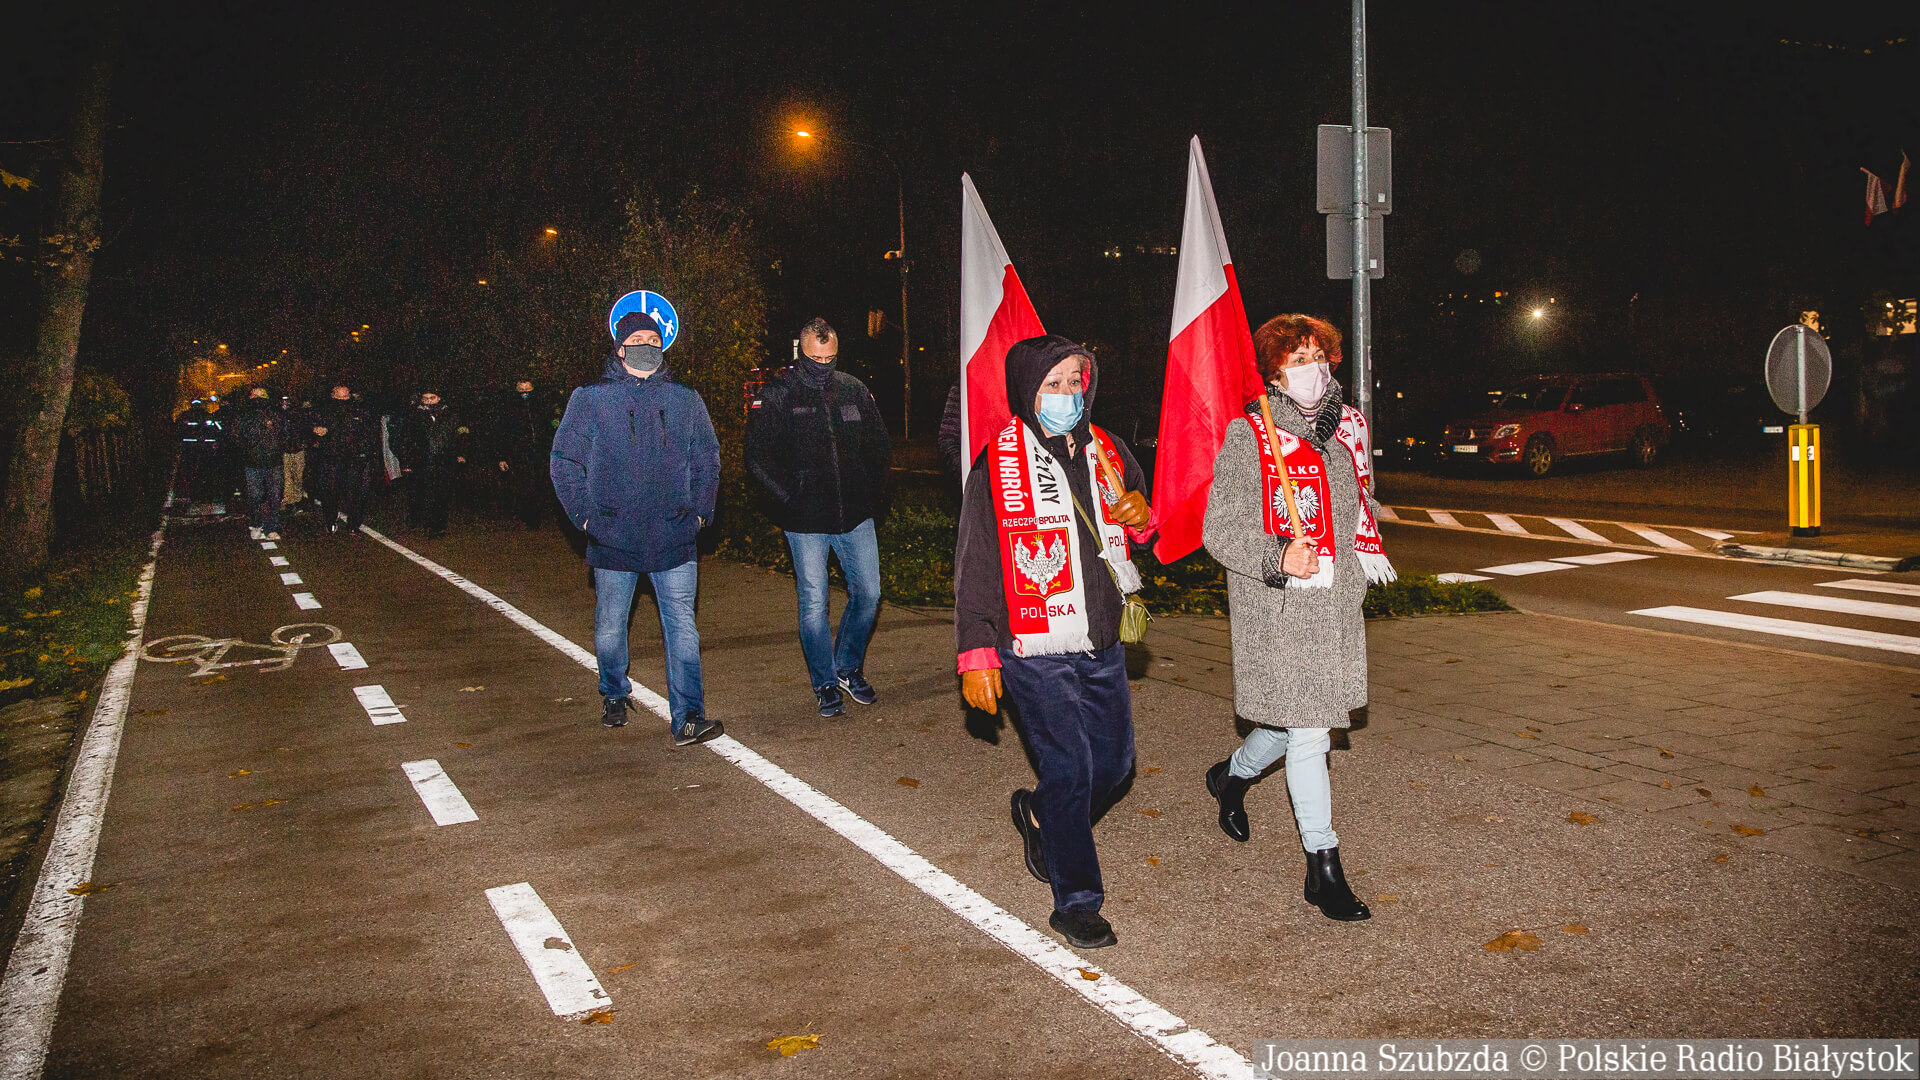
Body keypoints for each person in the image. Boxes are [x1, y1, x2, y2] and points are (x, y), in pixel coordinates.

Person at [954, 334, 1153, 950]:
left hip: (1101, 636)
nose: (1069, 395)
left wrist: (1142, 520)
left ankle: (1041, 817)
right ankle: (1077, 900)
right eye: (1053, 384)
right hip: (1029, 643)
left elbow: (1140, 540)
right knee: (1070, 766)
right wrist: (976, 652)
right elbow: (976, 564)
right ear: (1027, 392)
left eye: (1076, 382)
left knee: (1114, 765)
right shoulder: (1000, 463)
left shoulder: (1111, 451)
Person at [1201, 313, 1394, 922]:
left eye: (1321, 358)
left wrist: (1357, 571)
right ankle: (1323, 866)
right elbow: (1219, 530)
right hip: (1281, 611)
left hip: (1331, 610)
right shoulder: (1248, 437)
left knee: (1295, 726)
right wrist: (1278, 554)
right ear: (1275, 373)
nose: (1314, 371)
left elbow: (1353, 520)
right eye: (1299, 359)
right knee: (1311, 732)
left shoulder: (1340, 439)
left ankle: (1231, 776)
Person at [551, 310, 722, 746]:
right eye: (638, 338)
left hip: (674, 535)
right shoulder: (590, 399)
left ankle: (688, 717)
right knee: (611, 627)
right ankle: (613, 691)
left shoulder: (686, 399)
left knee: (683, 627)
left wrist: (701, 511)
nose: (648, 344)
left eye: (654, 337)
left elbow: (707, 458)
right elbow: (564, 461)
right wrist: (587, 517)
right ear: (620, 347)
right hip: (614, 536)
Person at [746, 318, 893, 718]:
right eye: (815, 358)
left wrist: (872, 494)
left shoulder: (854, 389)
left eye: (830, 358)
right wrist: (788, 499)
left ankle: (846, 666)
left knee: (869, 594)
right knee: (814, 604)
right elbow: (757, 457)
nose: (823, 365)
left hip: (855, 515)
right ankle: (825, 683)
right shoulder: (778, 394)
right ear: (801, 352)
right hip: (805, 521)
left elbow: (879, 446)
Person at [308, 383, 379, 537]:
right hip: (331, 458)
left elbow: (369, 431)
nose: (343, 399)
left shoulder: (359, 410)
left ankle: (354, 524)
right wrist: (317, 431)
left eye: (346, 396)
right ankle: (330, 520)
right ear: (333, 396)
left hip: (353, 458)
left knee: (355, 493)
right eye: (340, 397)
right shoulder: (323, 411)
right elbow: (311, 427)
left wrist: (366, 452)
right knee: (330, 492)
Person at [227, 386, 289, 539]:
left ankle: (257, 525)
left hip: (254, 460)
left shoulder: (243, 413)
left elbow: (235, 435)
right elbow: (286, 434)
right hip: (272, 459)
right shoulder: (276, 413)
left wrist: (247, 450)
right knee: (273, 496)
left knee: (257, 495)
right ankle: (271, 528)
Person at [400, 390, 463, 537]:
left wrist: (460, 453)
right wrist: (406, 461)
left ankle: (438, 524)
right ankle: (422, 520)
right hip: (421, 460)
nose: (429, 401)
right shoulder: (414, 416)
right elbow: (405, 440)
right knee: (422, 491)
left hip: (444, 459)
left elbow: (458, 435)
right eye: (425, 398)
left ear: (438, 398)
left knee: (442, 492)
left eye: (432, 398)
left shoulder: (449, 414)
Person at [494, 378, 556, 528]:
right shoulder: (507, 408)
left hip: (540, 452)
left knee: (539, 483)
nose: (524, 393)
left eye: (527, 390)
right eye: (521, 390)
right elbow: (500, 433)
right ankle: (529, 517)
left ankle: (536, 514)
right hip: (518, 453)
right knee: (524, 485)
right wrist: (501, 457)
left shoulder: (542, 406)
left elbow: (550, 429)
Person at [281, 395, 310, 509]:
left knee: (299, 474)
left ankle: (297, 497)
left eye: (287, 401)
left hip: (297, 448)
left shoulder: (298, 415)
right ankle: (289, 500)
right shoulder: (278, 415)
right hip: (285, 449)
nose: (285, 403)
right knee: (286, 475)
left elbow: (304, 428)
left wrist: (303, 442)